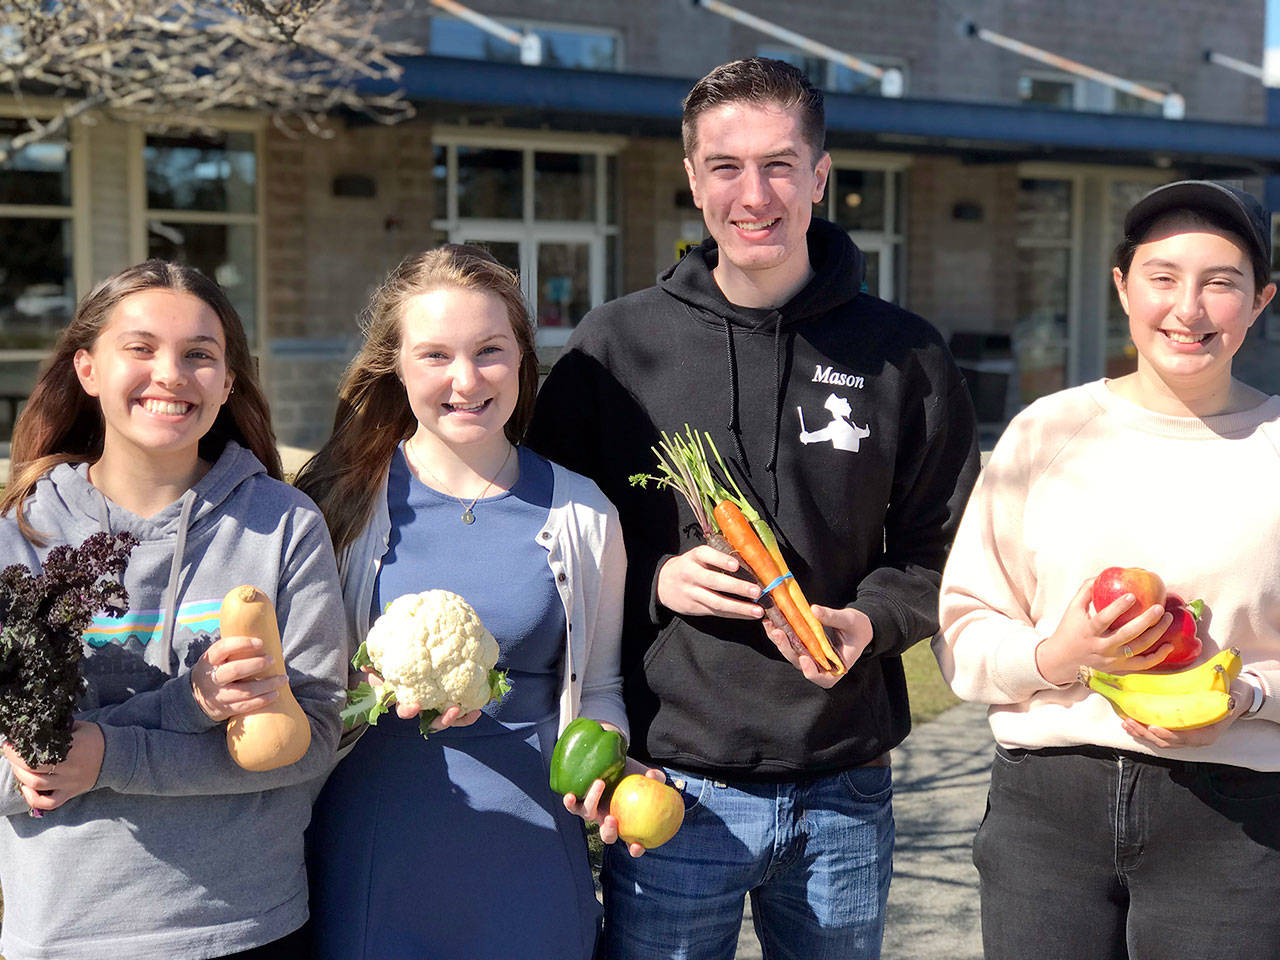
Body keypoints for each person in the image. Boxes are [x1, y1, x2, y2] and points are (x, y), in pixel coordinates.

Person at [527, 58, 979, 960]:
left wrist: (872, 621)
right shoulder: (615, 346)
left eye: (780, 164)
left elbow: (946, 549)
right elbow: (546, 533)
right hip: (668, 783)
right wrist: (657, 577)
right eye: (726, 166)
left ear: (819, 176)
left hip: (845, 782)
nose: (754, 193)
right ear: (693, 179)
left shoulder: (905, 354)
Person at [935, 180, 1280, 959]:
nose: (1186, 310)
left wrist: (1248, 695)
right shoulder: (1046, 431)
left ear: (1259, 301)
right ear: (1122, 286)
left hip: (1237, 820)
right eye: (1162, 277)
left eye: (1219, 283)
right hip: (1048, 813)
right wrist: (1057, 656)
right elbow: (963, 629)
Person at [0, 260, 347, 960]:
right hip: (66, 938)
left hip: (249, 928)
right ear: (87, 368)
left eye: (199, 355)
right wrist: (186, 711)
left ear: (227, 381)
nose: (171, 373)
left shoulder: (283, 526)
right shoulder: (21, 535)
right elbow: (18, 776)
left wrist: (108, 755)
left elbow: (308, 742)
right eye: (141, 347)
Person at [297, 245, 636, 960]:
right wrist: (362, 688)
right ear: (396, 363)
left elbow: (601, 687)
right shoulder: (336, 508)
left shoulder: (583, 513)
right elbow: (293, 690)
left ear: (521, 359)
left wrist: (609, 765)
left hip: (533, 864)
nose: (465, 379)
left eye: (489, 350)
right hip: (372, 857)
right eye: (435, 356)